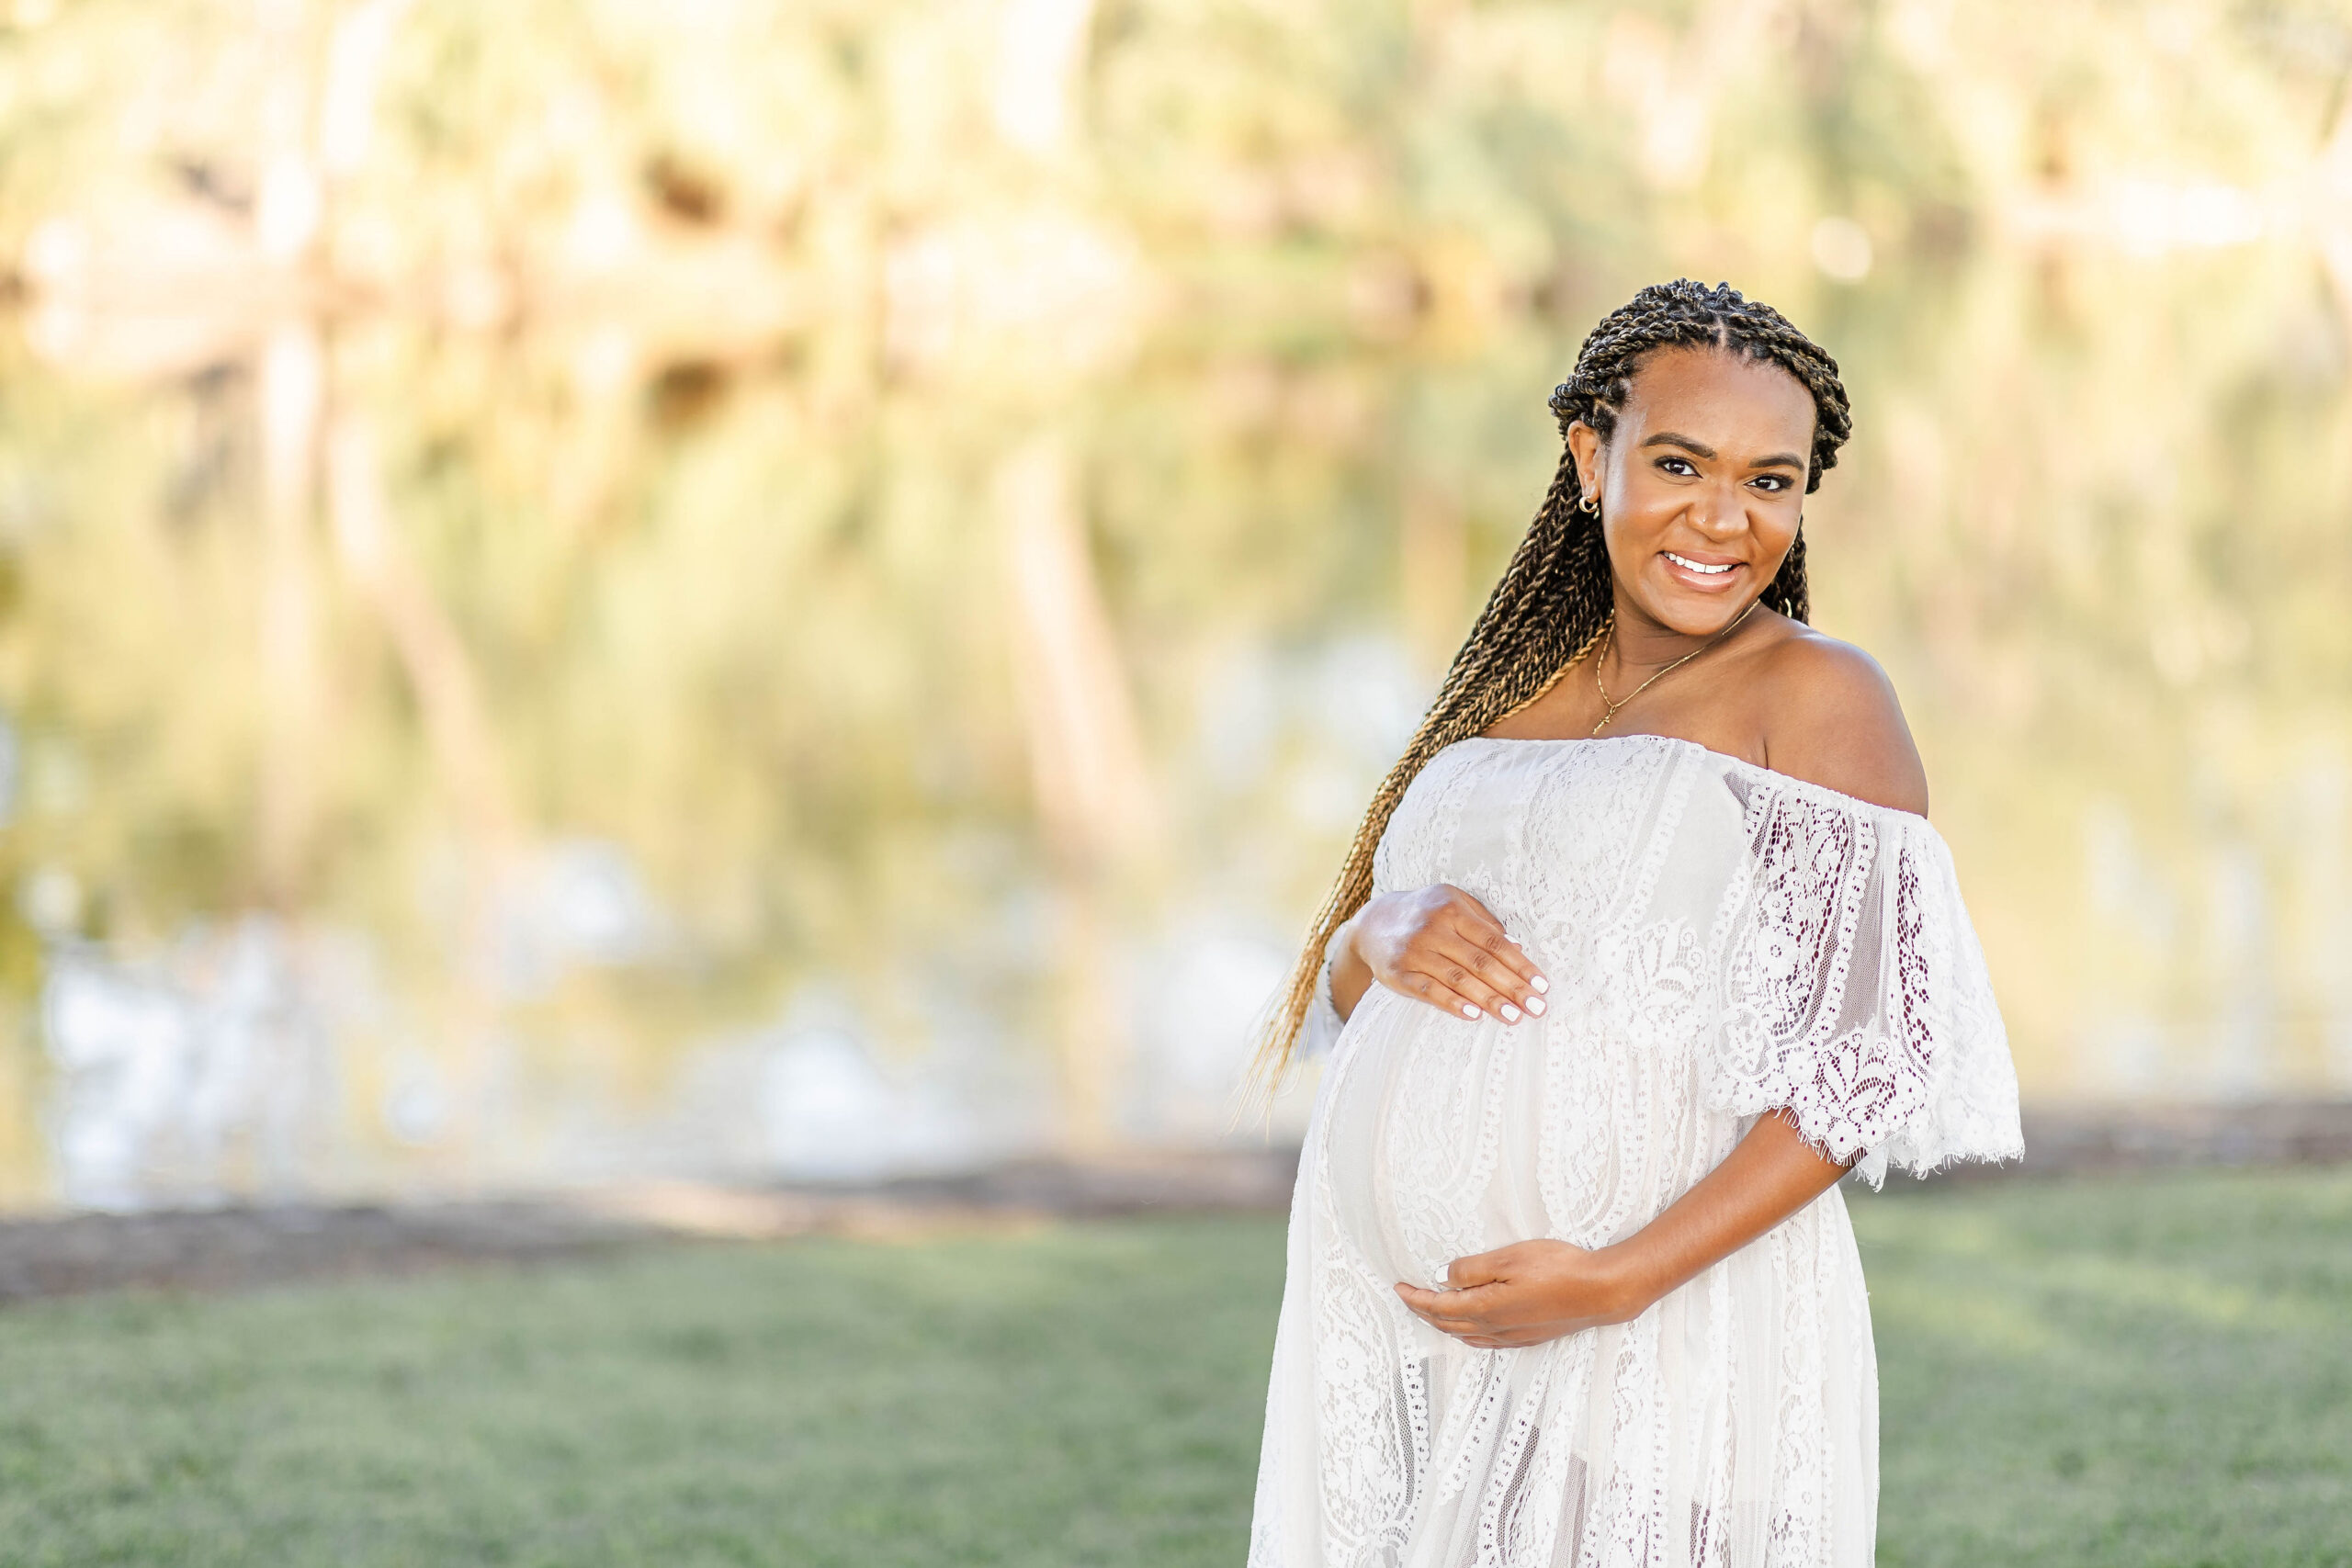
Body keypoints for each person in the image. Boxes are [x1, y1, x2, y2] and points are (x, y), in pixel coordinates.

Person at [1243, 280, 2023, 1568]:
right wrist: (1370, 939)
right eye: (1679, 464)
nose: (1723, 518)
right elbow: (1363, 1008)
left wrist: (1620, 1279)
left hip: (1664, 1337)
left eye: (1770, 482)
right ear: (1588, 453)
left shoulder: (1816, 697)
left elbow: (1870, 1057)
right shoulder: (1512, 683)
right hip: (1416, 1346)